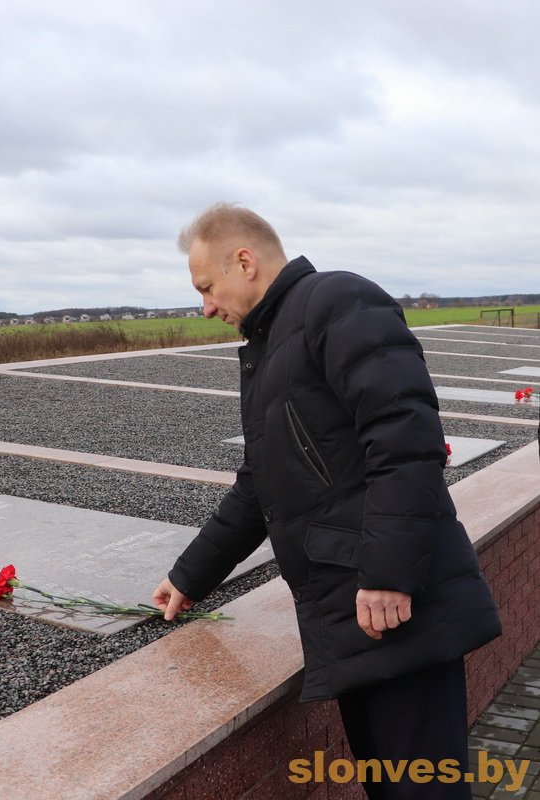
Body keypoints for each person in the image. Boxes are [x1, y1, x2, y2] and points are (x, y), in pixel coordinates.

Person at [153, 203, 501, 799]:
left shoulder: (338, 302)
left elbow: (407, 443)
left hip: (395, 609)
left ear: (245, 261)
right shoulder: (270, 345)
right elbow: (260, 484)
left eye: (207, 287)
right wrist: (189, 576)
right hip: (353, 616)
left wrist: (388, 575)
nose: (205, 307)